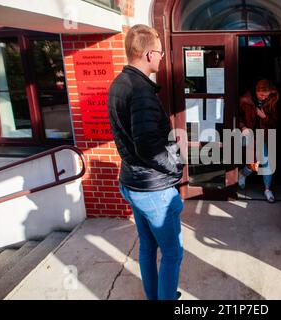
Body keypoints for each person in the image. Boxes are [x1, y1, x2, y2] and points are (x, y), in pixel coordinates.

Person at [107, 24, 184, 300]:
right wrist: (177, 165)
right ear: (150, 54)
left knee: (148, 247)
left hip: (133, 183)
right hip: (153, 190)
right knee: (173, 253)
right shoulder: (140, 91)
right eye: (161, 53)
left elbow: (132, 138)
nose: (162, 58)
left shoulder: (119, 84)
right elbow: (149, 148)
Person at [238, 79, 279, 203]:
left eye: (266, 95)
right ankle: (243, 173)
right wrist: (243, 127)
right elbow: (236, 116)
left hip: (264, 135)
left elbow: (275, 121)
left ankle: (267, 190)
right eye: (262, 95)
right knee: (252, 165)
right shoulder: (245, 100)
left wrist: (264, 117)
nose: (264, 98)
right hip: (249, 135)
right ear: (255, 91)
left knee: (267, 163)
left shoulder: (271, 100)